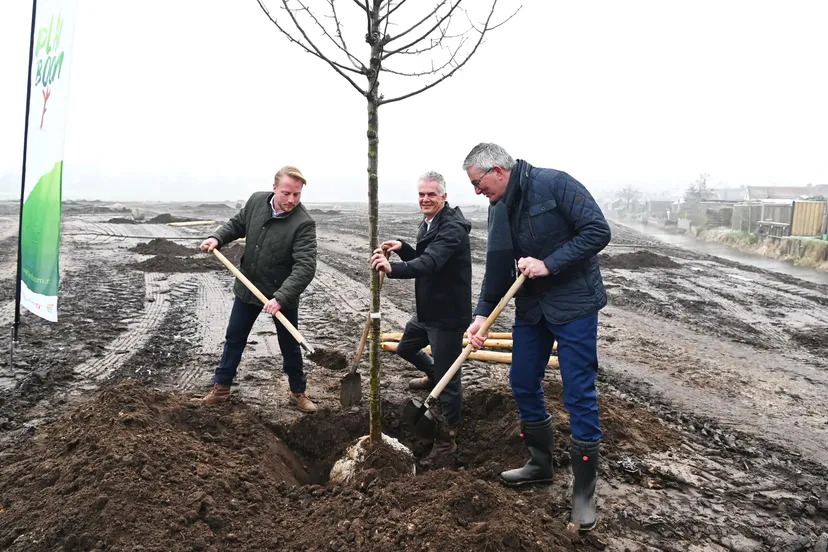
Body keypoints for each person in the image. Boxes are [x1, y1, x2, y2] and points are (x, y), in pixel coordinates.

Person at [462, 143, 611, 532]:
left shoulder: (555, 184)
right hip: (532, 308)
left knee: (578, 392)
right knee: (522, 380)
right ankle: (540, 463)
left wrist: (549, 264)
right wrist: (482, 317)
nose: (477, 191)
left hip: (575, 303)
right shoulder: (498, 207)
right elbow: (498, 265)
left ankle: (583, 494)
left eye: (478, 183)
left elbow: (598, 231)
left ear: (497, 171)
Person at [193, 166, 318, 413]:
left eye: (297, 194)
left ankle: (298, 392)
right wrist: (217, 238)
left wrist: (281, 298)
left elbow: (305, 267)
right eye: (286, 193)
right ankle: (221, 389)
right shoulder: (256, 201)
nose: (291, 200)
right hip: (249, 285)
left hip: (281, 292)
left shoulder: (303, 223)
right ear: (274, 188)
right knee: (234, 337)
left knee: (290, 344)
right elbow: (237, 224)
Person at [370, 171, 472, 458]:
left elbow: (431, 262)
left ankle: (447, 439)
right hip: (428, 310)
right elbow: (423, 258)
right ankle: (432, 372)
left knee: (449, 381)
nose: (425, 199)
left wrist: (393, 268)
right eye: (421, 194)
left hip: (448, 315)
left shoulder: (452, 229)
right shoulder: (429, 222)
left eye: (431, 194)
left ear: (444, 196)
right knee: (406, 347)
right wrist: (404, 249)